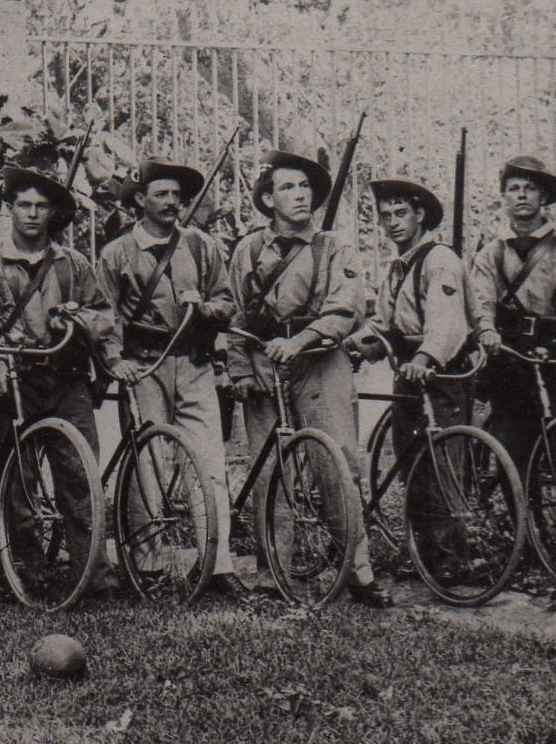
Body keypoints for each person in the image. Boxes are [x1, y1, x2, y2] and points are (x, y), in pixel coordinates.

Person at [225, 149, 386, 607]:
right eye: (287, 187)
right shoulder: (248, 250)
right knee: (270, 473)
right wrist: (239, 369)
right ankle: (273, 575)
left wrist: (302, 340)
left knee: (336, 465)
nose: (300, 195)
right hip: (263, 367)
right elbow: (237, 314)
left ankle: (358, 570)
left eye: (305, 187)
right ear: (268, 198)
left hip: (320, 364)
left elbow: (347, 306)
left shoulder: (335, 246)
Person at [96, 157, 239, 590]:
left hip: (193, 365)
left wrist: (209, 307)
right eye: (161, 194)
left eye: (177, 195)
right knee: (148, 465)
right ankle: (149, 565)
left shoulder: (200, 245)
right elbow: (104, 315)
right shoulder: (116, 253)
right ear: (139, 201)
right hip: (143, 367)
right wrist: (113, 359)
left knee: (210, 462)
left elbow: (227, 300)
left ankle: (217, 565)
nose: (172, 202)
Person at [0, 164, 113, 594]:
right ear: (10, 209)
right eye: (24, 205)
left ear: (53, 214)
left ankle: (93, 573)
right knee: (20, 480)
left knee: (79, 476)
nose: (33, 214)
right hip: (15, 381)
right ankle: (28, 569)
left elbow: (103, 315)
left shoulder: (73, 264)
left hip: (66, 380)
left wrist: (74, 319)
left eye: (42, 206)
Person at [467, 156, 556, 475]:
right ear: (504, 197)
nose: (522, 195)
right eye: (513, 188)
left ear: (544, 197)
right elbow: (480, 300)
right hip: (511, 357)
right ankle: (522, 523)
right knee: (512, 452)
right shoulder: (490, 254)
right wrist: (486, 330)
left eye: (530, 188)